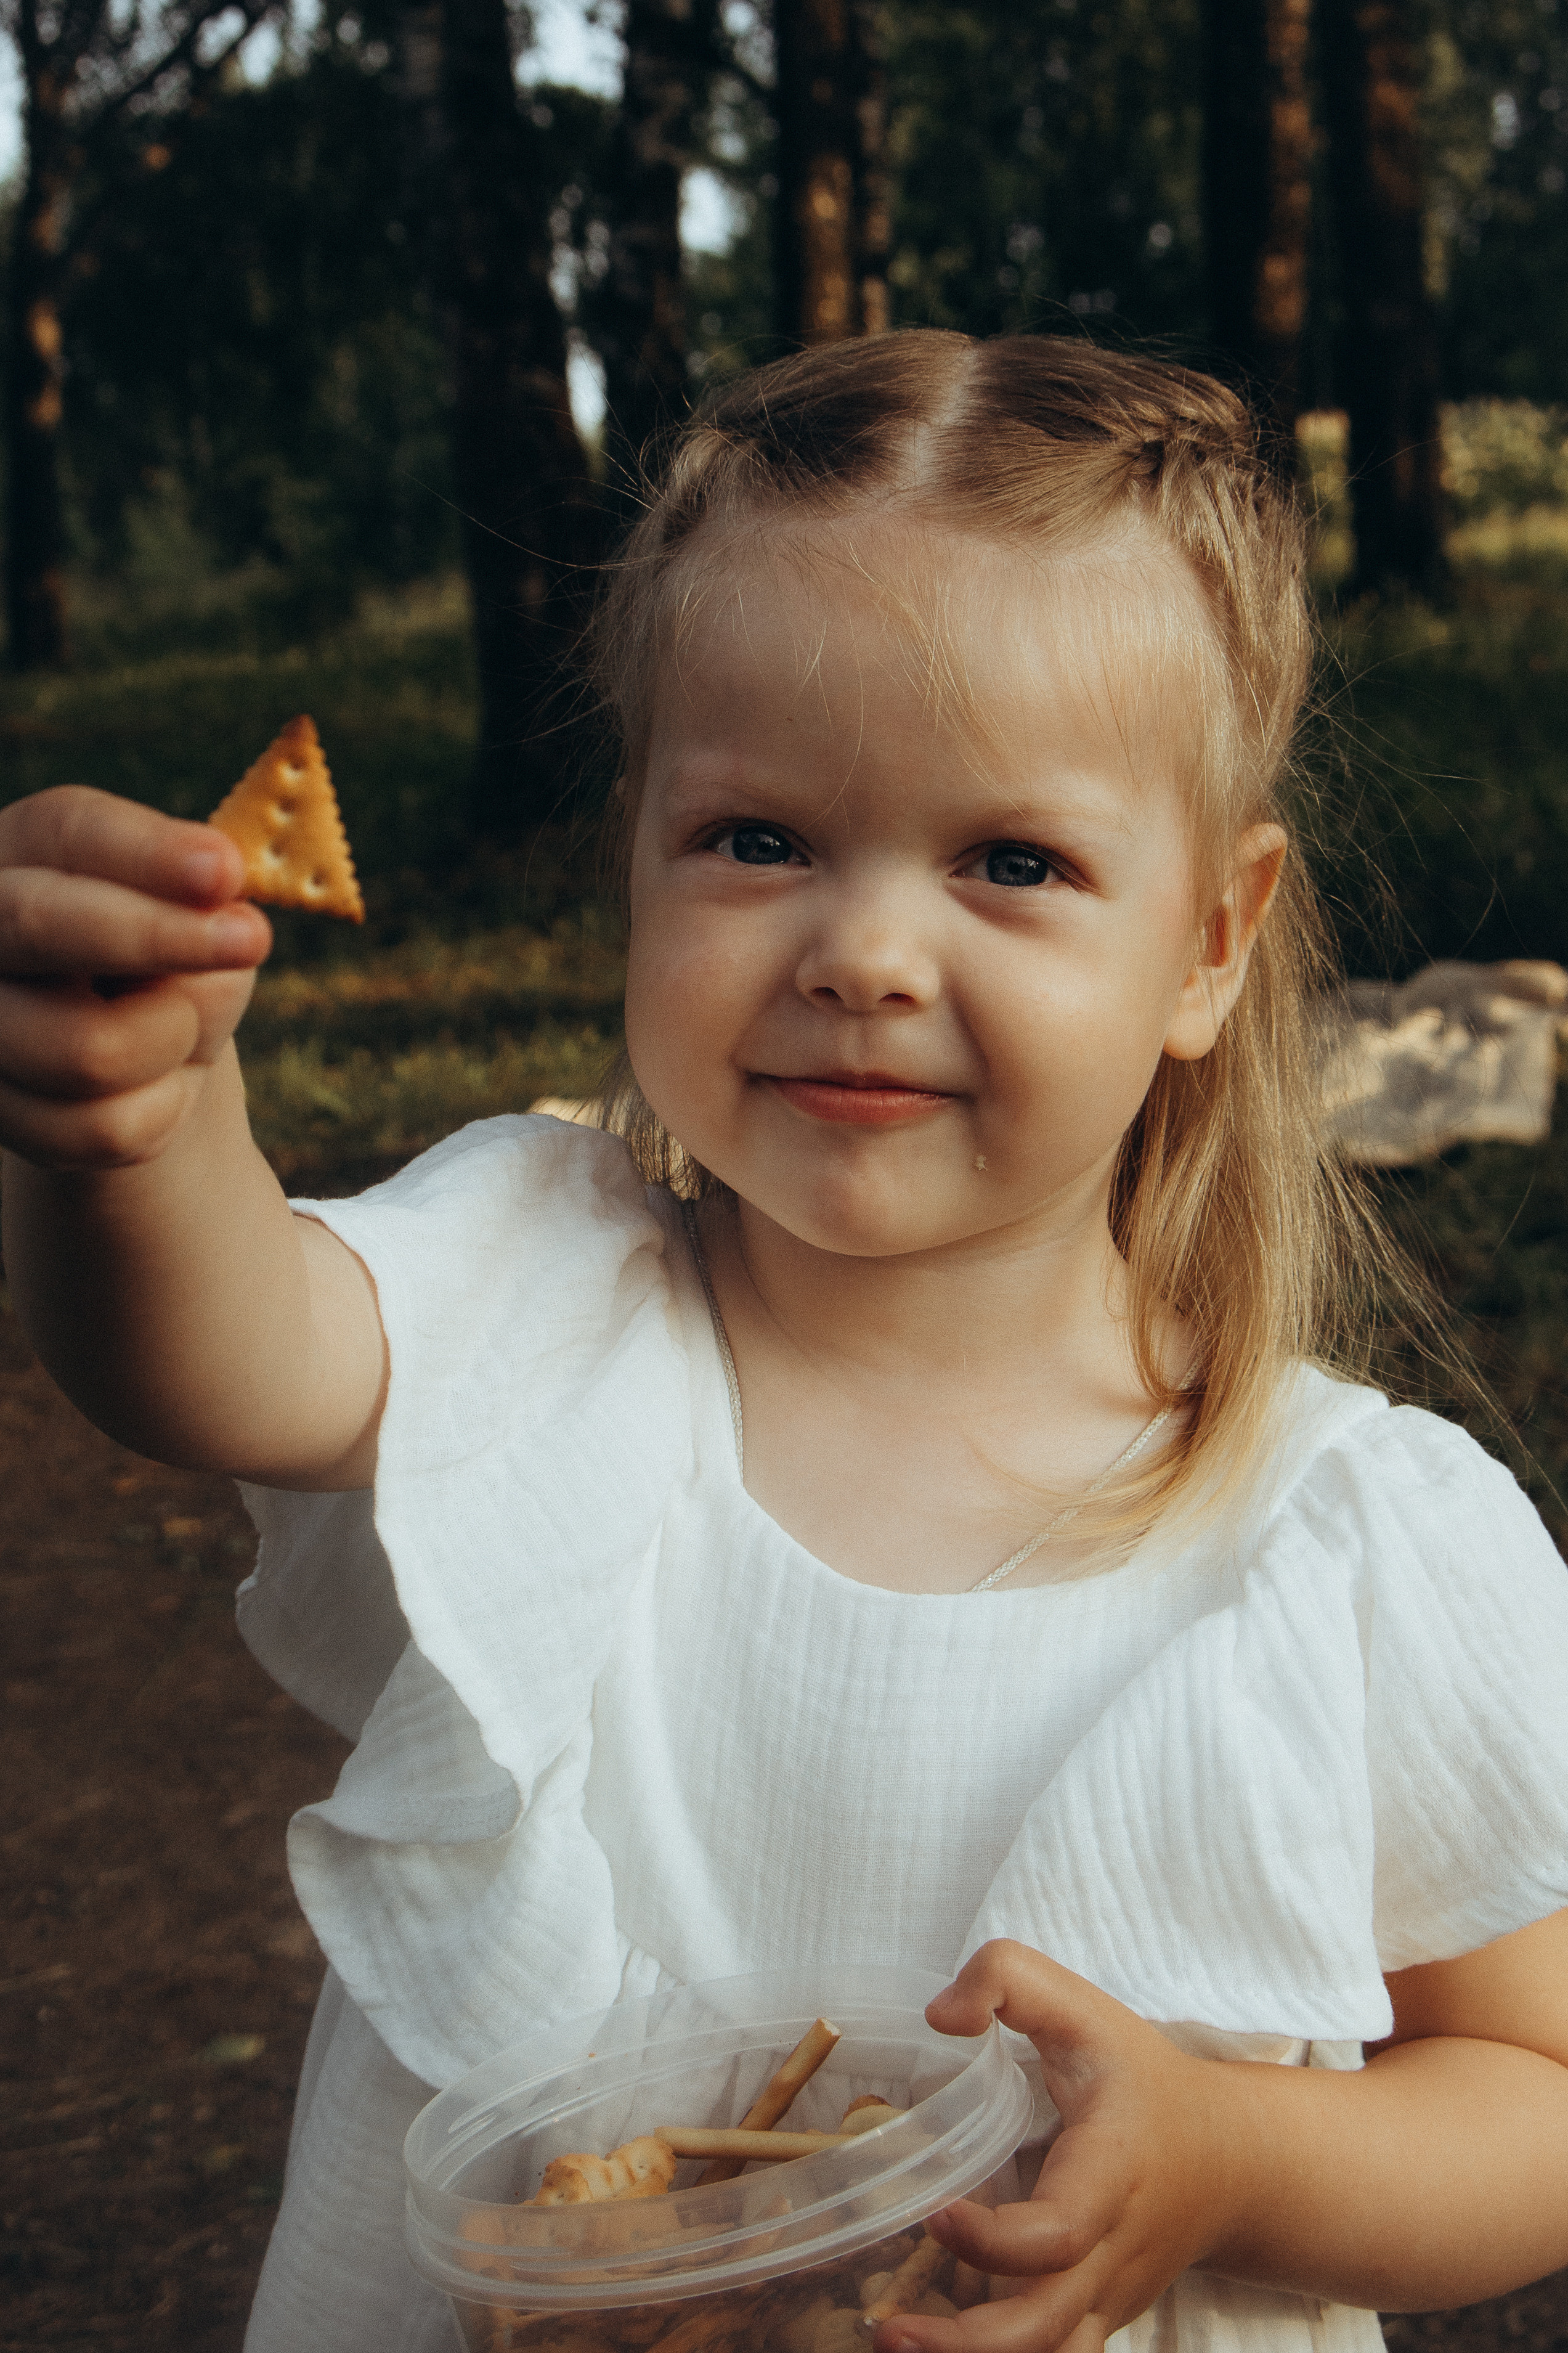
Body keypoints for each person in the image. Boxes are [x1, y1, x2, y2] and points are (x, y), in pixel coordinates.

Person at [2, 332, 1566, 2353]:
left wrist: (1230, 2160)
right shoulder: (540, 1300)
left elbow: (1535, 2095)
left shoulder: (1342, 1547)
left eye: (1010, 861)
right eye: (757, 840)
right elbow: (210, 1358)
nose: (863, 952)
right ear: (637, 842)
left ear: (1208, 940)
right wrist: (131, 1131)